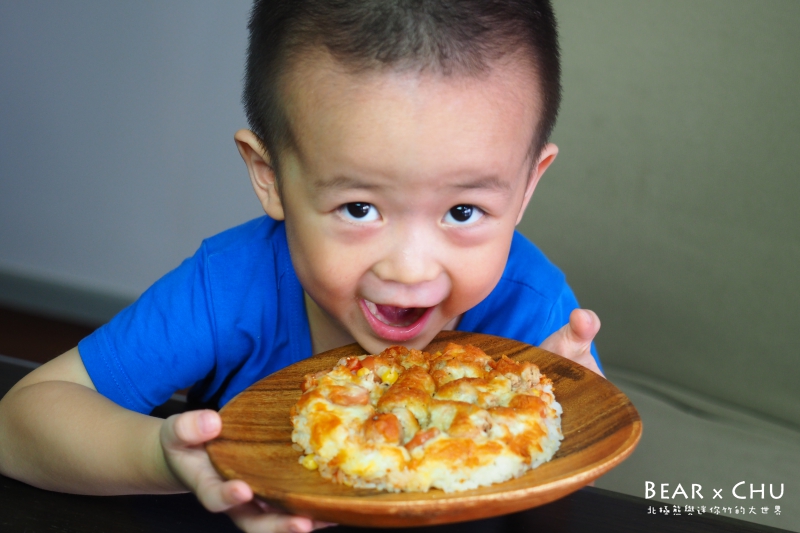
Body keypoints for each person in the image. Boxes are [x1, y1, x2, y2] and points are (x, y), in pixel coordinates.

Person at [0, 1, 603, 532]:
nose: (411, 268)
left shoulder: (534, 310)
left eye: (464, 210)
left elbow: (564, 502)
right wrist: (166, 457)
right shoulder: (232, 286)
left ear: (527, 186)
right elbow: (19, 424)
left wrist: (573, 428)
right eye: (359, 207)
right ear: (271, 179)